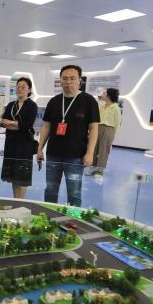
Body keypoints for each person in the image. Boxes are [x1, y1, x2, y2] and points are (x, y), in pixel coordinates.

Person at [37, 65, 100, 207]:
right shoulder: (54, 101)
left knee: (74, 193)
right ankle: (49, 215)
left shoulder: (88, 101)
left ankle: (73, 218)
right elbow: (46, 126)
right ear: (60, 80)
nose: (68, 82)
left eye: (72, 78)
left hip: (76, 156)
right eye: (64, 78)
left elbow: (93, 128)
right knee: (51, 189)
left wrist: (90, 153)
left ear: (80, 80)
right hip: (53, 154)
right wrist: (40, 148)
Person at [1, 77, 38, 199]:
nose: (20, 89)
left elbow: (27, 125)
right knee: (13, 177)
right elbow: (3, 123)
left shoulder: (32, 105)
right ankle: (16, 200)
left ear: (29, 90)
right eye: (18, 87)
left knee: (22, 178)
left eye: (23, 87)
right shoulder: (11, 105)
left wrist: (11, 123)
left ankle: (20, 202)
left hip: (24, 146)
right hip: (10, 144)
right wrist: (17, 125)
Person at [91, 88, 122, 175]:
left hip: (109, 129)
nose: (102, 94)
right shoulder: (101, 107)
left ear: (109, 96)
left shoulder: (115, 108)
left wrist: (113, 135)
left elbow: (117, 123)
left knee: (104, 151)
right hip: (98, 128)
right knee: (94, 149)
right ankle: (92, 168)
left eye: (104, 93)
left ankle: (99, 171)